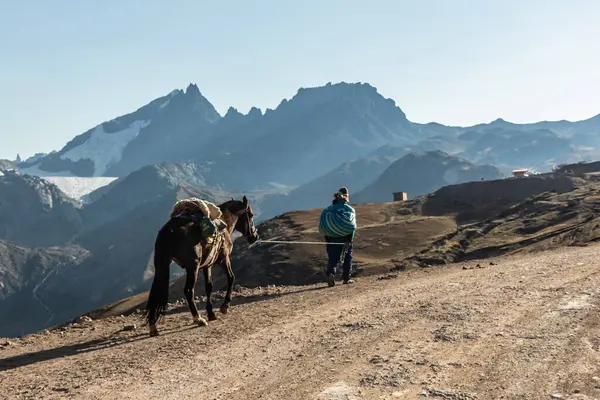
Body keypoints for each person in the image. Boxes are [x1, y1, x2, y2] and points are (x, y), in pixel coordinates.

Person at [318, 187, 357, 287]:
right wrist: (350, 240)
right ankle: (346, 279)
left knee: (332, 258)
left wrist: (328, 239)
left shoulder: (328, 210)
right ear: (346, 198)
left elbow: (325, 226)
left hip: (331, 239)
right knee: (347, 258)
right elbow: (351, 227)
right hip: (345, 239)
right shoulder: (349, 210)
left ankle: (331, 273)